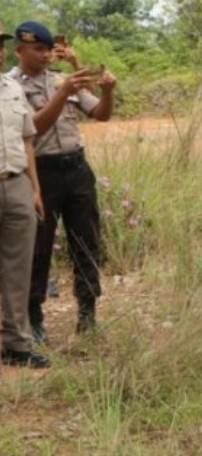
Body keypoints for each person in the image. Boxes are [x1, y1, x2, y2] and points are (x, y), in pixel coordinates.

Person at [8, 20, 117, 343]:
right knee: (38, 247)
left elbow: (100, 113)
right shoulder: (10, 87)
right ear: (19, 50)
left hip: (76, 169)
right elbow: (34, 129)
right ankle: (34, 314)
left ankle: (87, 311)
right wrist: (63, 93)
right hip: (41, 172)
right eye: (37, 49)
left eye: (47, 49)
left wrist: (108, 91)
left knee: (86, 241)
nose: (44, 55)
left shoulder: (62, 80)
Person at [0, 25, 50, 368]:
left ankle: (16, 344)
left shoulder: (11, 88)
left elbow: (27, 140)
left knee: (19, 268)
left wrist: (34, 189)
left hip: (16, 182)